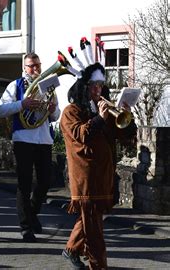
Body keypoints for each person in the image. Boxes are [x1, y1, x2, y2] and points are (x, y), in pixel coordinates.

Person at [60, 63, 136, 269]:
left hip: (104, 176)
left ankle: (71, 249)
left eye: (101, 85)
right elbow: (82, 135)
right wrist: (100, 118)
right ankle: (98, 265)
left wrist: (127, 117)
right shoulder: (71, 111)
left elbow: (125, 135)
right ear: (83, 87)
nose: (98, 90)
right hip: (85, 179)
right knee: (94, 231)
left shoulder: (104, 110)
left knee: (89, 221)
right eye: (93, 86)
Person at [0, 52, 60, 242]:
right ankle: (26, 227)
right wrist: (22, 104)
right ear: (24, 68)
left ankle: (31, 214)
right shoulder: (15, 85)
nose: (35, 69)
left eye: (37, 65)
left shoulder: (48, 86)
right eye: (31, 66)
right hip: (23, 139)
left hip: (44, 140)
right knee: (24, 184)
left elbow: (56, 116)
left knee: (45, 182)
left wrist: (52, 109)